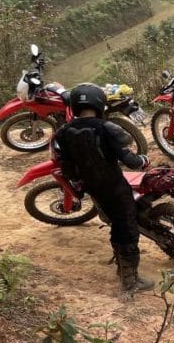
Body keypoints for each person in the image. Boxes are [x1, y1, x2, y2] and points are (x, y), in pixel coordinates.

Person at [52, 83, 153, 293]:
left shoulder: (63, 132)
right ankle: (130, 280)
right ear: (99, 103)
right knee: (127, 229)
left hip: (93, 187)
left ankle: (121, 265)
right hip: (115, 184)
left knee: (117, 222)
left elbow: (66, 167)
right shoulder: (106, 128)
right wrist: (142, 160)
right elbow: (130, 160)